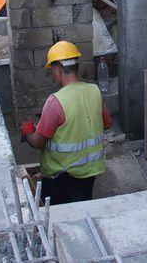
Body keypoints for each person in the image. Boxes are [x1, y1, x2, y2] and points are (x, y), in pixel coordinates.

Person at [19, 41, 112, 205]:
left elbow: (38, 142)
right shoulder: (94, 91)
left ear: (56, 69)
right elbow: (106, 123)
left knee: (59, 218)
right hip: (89, 173)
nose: (53, 76)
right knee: (83, 209)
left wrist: (27, 131)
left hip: (60, 177)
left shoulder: (55, 102)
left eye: (52, 72)